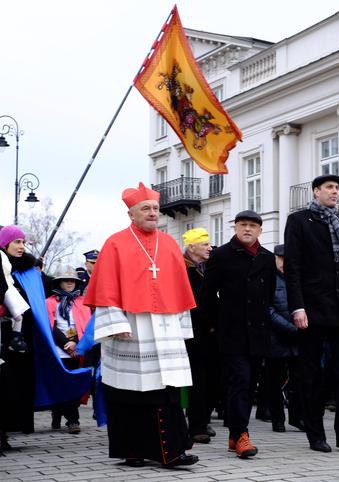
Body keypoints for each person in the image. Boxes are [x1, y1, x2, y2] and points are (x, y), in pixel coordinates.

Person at [84, 182, 198, 468]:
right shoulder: (115, 243)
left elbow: (181, 290)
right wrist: (114, 324)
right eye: (145, 208)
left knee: (166, 390)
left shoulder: (170, 243)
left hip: (166, 328)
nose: (152, 213)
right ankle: (132, 450)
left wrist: (183, 327)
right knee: (128, 391)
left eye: (155, 208)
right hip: (131, 327)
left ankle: (172, 451)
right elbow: (106, 288)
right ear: (131, 214)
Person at [284, 174, 339, 454]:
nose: (335, 192)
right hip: (312, 309)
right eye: (329, 187)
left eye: (337, 188)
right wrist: (297, 306)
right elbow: (292, 268)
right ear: (316, 192)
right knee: (310, 374)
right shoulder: (299, 221)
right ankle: (315, 434)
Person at [0, 225, 90, 453]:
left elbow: (46, 292)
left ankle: (10, 430)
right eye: (17, 242)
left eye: (23, 242)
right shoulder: (4, 268)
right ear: (4, 244)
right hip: (6, 334)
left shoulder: (29, 271)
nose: (22, 247)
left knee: (19, 385)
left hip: (27, 338)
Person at [201, 210, 276, 458]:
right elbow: (207, 294)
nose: (247, 229)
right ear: (235, 227)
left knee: (249, 382)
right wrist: (214, 324)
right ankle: (242, 434)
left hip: (258, 333)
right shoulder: (222, 254)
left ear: (260, 230)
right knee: (240, 381)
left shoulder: (267, 257)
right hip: (231, 331)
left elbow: (270, 296)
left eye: (253, 226)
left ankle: (235, 435)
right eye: (243, 225)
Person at [45, 266, 93, 435]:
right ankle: (73, 421)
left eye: (72, 280)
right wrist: (66, 343)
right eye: (66, 280)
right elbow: (49, 327)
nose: (70, 283)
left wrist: (77, 345)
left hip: (78, 348)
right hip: (59, 348)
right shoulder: (50, 302)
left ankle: (58, 411)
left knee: (75, 385)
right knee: (63, 384)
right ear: (59, 282)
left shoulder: (82, 302)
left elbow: (87, 327)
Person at [181, 228, 217, 445]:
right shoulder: (183, 269)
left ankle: (203, 420)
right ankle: (196, 427)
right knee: (197, 381)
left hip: (211, 332)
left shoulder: (208, 268)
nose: (209, 247)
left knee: (213, 380)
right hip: (192, 333)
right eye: (204, 244)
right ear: (192, 247)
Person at [266, 244, 301, 433]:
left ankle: (297, 417)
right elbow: (268, 310)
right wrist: (291, 328)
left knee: (298, 380)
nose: (285, 263)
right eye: (282, 259)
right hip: (276, 338)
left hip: (297, 338)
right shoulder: (270, 279)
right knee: (275, 382)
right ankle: (277, 419)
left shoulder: (298, 278)